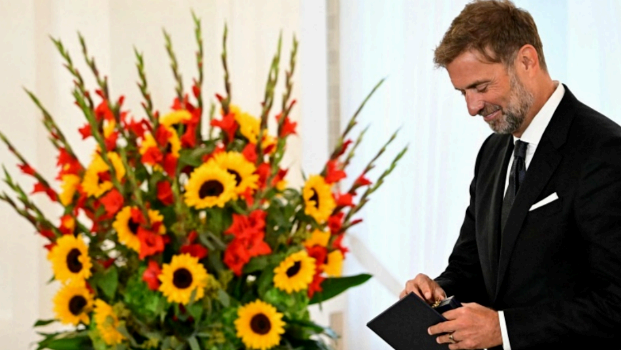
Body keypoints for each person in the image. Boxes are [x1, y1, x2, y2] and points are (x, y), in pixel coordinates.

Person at [400, 0, 621, 349]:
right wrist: (437, 292)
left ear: (527, 60)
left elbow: (616, 302)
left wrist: (504, 330)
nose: (472, 108)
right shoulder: (492, 152)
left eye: (481, 87)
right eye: (463, 92)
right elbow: (471, 265)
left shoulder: (605, 150)